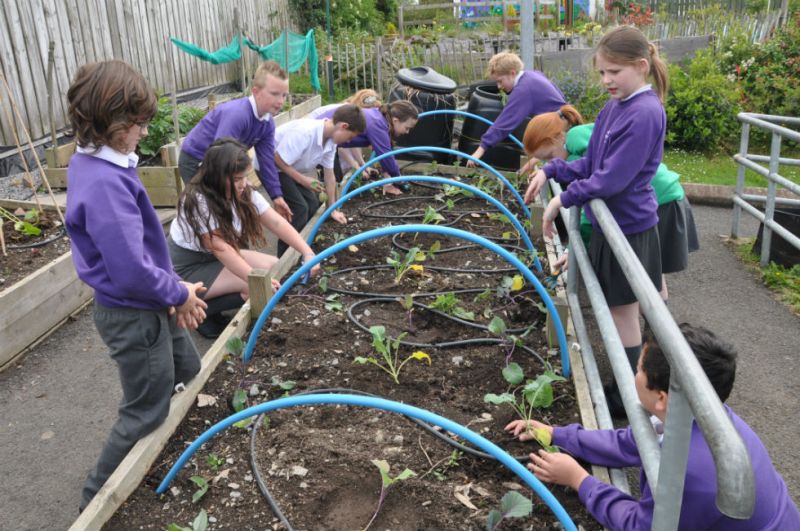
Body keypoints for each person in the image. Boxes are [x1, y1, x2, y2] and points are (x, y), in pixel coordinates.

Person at [65, 60, 208, 512]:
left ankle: (162, 446)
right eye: (139, 124)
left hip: (148, 299)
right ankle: (96, 501)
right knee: (145, 406)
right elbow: (129, 271)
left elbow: (138, 254)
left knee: (187, 369)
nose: (145, 133)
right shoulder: (105, 183)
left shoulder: (98, 163)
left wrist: (172, 289)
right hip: (132, 310)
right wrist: (178, 293)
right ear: (111, 121)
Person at [506, 323, 800, 530]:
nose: (633, 373)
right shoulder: (704, 412)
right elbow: (628, 443)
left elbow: (641, 526)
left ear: (662, 397)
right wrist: (558, 434)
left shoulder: (689, 474)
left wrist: (579, 480)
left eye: (638, 368)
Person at [524, 26, 667, 388]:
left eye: (614, 72)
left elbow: (611, 179)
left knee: (623, 313)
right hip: (615, 224)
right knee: (632, 306)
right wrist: (552, 170)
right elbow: (591, 165)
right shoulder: (615, 107)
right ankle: (645, 373)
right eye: (602, 72)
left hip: (629, 226)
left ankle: (630, 392)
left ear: (641, 66)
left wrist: (563, 197)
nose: (606, 80)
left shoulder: (645, 113)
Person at [521, 104, 700, 301]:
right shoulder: (577, 141)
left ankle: (657, 329)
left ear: (558, 138)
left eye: (549, 157)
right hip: (656, 199)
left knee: (648, 279)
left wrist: (575, 246)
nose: (549, 162)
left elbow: (595, 198)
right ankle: (654, 327)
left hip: (661, 201)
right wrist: (549, 170)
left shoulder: (580, 144)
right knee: (650, 277)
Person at [169, 138, 321, 338]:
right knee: (252, 285)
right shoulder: (197, 200)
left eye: (245, 176)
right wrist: (254, 279)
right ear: (217, 176)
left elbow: (276, 223)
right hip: (190, 266)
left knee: (273, 268)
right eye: (238, 178)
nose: (245, 183)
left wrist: (307, 252)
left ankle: (227, 301)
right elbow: (221, 249)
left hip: (216, 256)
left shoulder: (242, 191)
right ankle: (203, 313)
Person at [178, 61, 293, 222]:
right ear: (256, 91)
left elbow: (266, 160)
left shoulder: (267, 123)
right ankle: (187, 241)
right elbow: (220, 156)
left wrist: (276, 196)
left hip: (222, 159)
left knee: (227, 208)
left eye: (284, 95)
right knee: (207, 209)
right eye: (275, 94)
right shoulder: (238, 114)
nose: (281, 100)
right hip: (196, 159)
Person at [273, 103, 366, 255]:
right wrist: (303, 180)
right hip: (271, 167)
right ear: (343, 126)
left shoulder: (330, 141)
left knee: (313, 203)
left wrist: (333, 209)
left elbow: (330, 176)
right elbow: (277, 159)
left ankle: (303, 245)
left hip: (289, 168)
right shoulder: (306, 132)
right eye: (350, 137)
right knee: (299, 209)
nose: (348, 142)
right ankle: (284, 257)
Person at [466, 51, 566, 167]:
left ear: (512, 73)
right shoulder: (532, 75)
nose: (499, 86)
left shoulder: (523, 90)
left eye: (500, 81)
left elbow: (505, 122)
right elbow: (561, 97)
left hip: (560, 134)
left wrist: (480, 150)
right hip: (564, 124)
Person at [313, 100, 419, 196]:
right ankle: (326, 206)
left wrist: (389, 182)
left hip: (328, 141)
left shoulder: (380, 118)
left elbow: (387, 153)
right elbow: (386, 157)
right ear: (395, 120)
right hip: (318, 137)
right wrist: (400, 180)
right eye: (407, 128)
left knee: (334, 180)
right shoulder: (378, 124)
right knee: (328, 180)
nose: (407, 132)